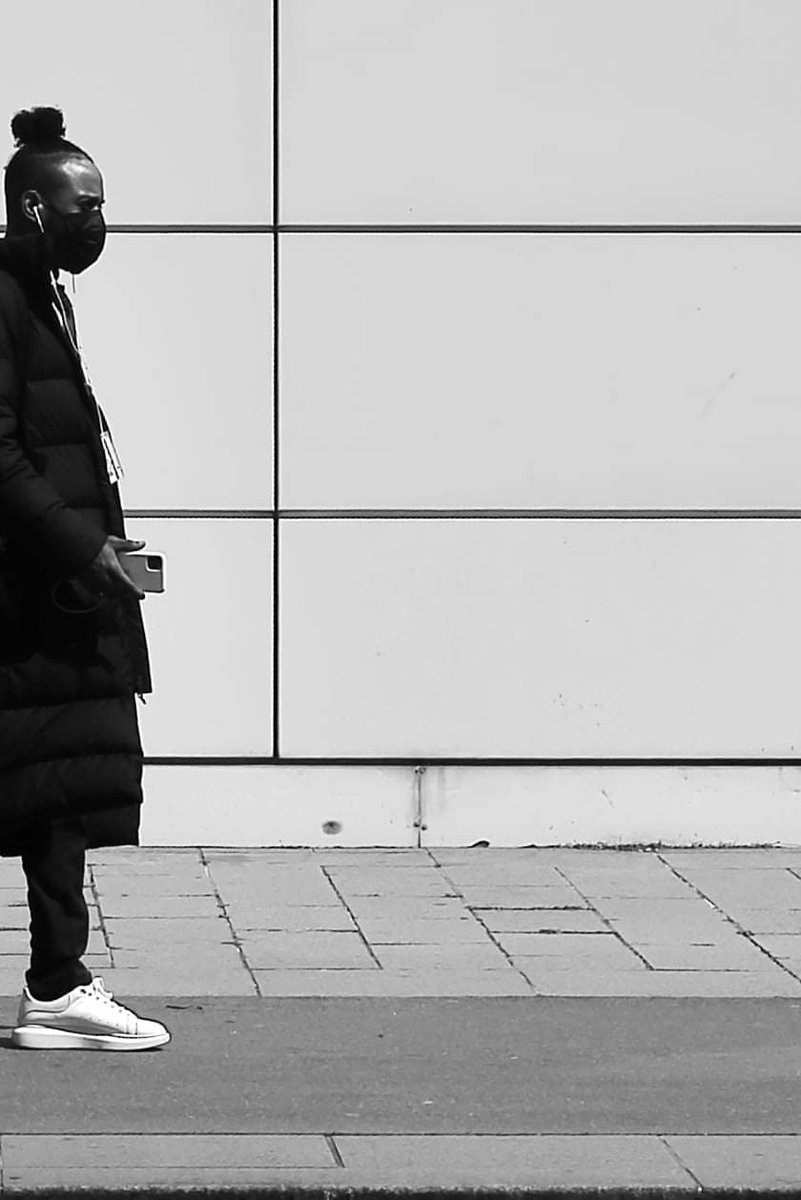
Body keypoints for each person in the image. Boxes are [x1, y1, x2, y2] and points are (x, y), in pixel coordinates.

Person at [0, 106, 169, 1050]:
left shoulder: (41, 293)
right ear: (34, 205)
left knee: (58, 788)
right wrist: (83, 545)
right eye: (84, 205)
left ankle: (57, 988)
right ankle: (56, 987)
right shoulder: (3, 296)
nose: (97, 223)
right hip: (30, 597)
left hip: (53, 594)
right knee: (45, 782)